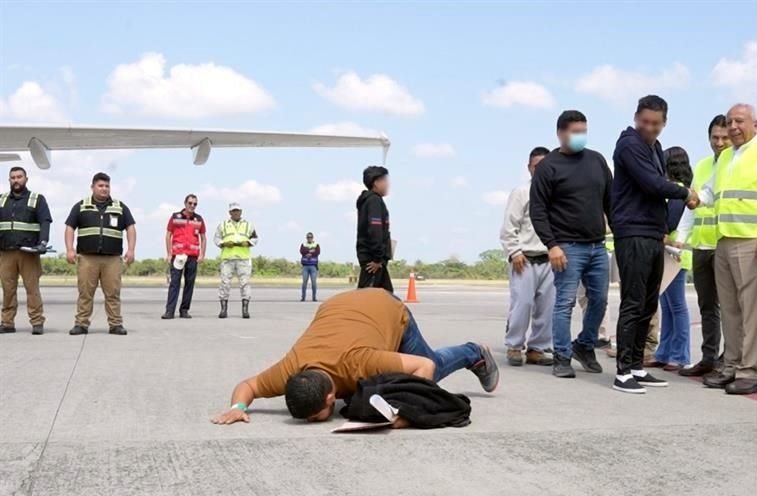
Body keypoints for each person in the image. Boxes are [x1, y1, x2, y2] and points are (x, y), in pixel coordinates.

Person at [210, 288, 499, 425]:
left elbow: (424, 366)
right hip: (342, 306)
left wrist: (405, 413)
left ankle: (473, 353)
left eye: (317, 417)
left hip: (386, 308)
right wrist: (239, 407)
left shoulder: (359, 362)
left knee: (428, 373)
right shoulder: (290, 368)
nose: (316, 422)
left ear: (328, 399)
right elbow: (248, 386)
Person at [694, 104, 757, 395]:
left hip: (753, 242)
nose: (733, 126)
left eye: (739, 121)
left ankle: (749, 370)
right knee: (731, 310)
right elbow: (710, 192)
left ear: (754, 124)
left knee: (753, 311)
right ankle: (731, 364)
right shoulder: (726, 158)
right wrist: (691, 197)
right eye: (729, 121)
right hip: (723, 241)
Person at [609, 95, 697, 394]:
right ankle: (622, 372)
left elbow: (657, 186)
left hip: (651, 233)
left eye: (655, 123)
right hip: (632, 232)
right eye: (644, 121)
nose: (649, 128)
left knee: (648, 302)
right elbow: (650, 183)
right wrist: (684, 193)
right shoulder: (630, 144)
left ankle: (636, 365)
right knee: (633, 302)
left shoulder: (655, 147)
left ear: (664, 123)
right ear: (636, 117)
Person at [530, 110, 613, 379]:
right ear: (560, 133)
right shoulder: (549, 167)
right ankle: (562, 356)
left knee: (599, 300)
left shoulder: (597, 161)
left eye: (583, 131)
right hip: (566, 247)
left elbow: (611, 201)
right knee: (564, 303)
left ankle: (585, 345)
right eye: (575, 132)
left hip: (597, 246)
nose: (580, 137)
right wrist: (552, 245)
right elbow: (538, 210)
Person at [676, 115, 731, 377]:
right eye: (715, 138)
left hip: (726, 244)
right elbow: (692, 205)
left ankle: (728, 359)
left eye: (724, 138)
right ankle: (709, 358)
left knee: (729, 307)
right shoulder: (702, 165)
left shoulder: (736, 164)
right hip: (701, 246)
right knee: (707, 306)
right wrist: (682, 236)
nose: (719, 143)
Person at [499, 146, 555, 367]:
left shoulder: (558, 195)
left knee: (547, 307)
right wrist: (514, 252)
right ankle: (514, 345)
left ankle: (537, 348)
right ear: (529, 168)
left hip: (550, 259)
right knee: (522, 305)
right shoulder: (522, 192)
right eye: (536, 166)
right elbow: (509, 225)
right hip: (525, 258)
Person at [64, 172, 137, 335]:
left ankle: (116, 324)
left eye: (107, 186)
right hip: (87, 258)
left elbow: (130, 227)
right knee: (85, 293)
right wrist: (69, 249)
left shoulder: (120, 207)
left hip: (112, 259)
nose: (104, 189)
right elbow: (70, 227)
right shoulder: (81, 206)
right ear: (92, 187)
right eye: (101, 186)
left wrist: (131, 249)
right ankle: (81, 324)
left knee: (113, 293)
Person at [653, 147, 694, 372]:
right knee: (668, 306)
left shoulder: (677, 192)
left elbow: (670, 222)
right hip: (672, 253)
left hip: (675, 254)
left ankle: (680, 354)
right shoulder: (681, 190)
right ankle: (665, 352)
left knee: (676, 306)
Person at [0, 166, 52, 334]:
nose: (16, 180)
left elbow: (45, 222)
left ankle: (37, 322)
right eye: (13, 177)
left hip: (28, 252)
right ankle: (7, 323)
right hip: (5, 252)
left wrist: (43, 242)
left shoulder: (37, 199)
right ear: (9, 180)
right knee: (7, 290)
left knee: (32, 289)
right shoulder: (1, 200)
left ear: (26, 179)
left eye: (19, 177)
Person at [162, 194, 206, 320]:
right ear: (185, 203)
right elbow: (168, 235)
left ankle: (184, 310)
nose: (192, 206)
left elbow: (203, 237)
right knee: (174, 283)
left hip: (192, 256)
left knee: (189, 284)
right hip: (178, 254)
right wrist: (169, 253)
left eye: (195, 204)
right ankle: (169, 311)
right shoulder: (175, 217)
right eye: (190, 203)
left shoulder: (199, 219)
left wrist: (202, 254)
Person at [215, 202, 257, 319]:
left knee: (245, 283)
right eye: (234, 211)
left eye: (238, 210)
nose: (236, 213)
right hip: (228, 258)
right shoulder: (222, 225)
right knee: (225, 283)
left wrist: (248, 242)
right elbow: (216, 238)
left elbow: (255, 238)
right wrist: (223, 243)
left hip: (243, 258)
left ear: (241, 211)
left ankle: (245, 310)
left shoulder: (248, 225)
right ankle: (223, 310)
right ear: (230, 213)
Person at [356, 166, 393, 293]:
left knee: (386, 298)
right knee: (367, 301)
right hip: (373, 263)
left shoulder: (373, 201)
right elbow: (375, 229)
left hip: (377, 262)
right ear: (376, 183)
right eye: (385, 180)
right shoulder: (374, 201)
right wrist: (377, 259)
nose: (388, 184)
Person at [300, 232, 320, 302]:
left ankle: (314, 297)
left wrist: (309, 253)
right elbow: (302, 251)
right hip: (305, 266)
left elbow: (317, 252)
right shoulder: (303, 244)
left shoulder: (316, 244)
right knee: (304, 282)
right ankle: (303, 297)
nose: (309, 238)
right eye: (308, 237)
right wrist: (310, 251)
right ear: (306, 238)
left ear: (313, 238)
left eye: (311, 237)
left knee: (314, 282)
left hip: (313, 266)